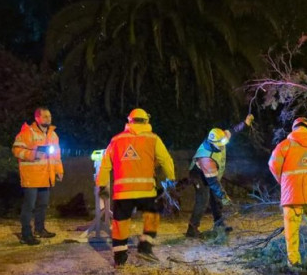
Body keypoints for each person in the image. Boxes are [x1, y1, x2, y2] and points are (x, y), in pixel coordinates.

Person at [96, 108, 175, 266]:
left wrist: (101, 185)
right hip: (146, 191)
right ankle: (145, 247)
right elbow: (166, 160)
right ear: (146, 121)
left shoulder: (116, 140)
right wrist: (171, 179)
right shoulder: (153, 139)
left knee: (120, 222)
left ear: (129, 121)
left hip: (123, 193)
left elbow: (105, 165)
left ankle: (120, 258)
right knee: (152, 215)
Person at [268, 117, 307, 267]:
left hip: (292, 196)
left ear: (294, 128)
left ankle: (294, 263)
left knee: (292, 233)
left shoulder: (285, 145)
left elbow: (273, 164)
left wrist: (283, 182)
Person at [186, 114, 254, 238]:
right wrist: (224, 197)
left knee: (215, 199)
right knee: (204, 198)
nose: (224, 145)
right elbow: (213, 183)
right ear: (213, 143)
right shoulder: (206, 157)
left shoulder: (221, 137)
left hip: (210, 174)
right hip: (198, 174)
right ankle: (192, 229)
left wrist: (245, 123)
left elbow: (234, 130)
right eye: (221, 144)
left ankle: (219, 224)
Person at [12, 107, 64, 245]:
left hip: (46, 176)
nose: (48, 118)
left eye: (49, 116)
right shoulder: (27, 132)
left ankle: (39, 230)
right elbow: (16, 150)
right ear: (37, 118)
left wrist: (59, 171)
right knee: (29, 206)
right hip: (31, 177)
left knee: (43, 205)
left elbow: (57, 156)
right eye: (45, 116)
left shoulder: (53, 135)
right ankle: (26, 234)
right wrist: (33, 155)